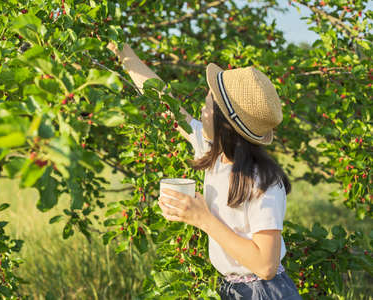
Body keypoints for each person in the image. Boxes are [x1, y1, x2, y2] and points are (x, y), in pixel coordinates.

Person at [107, 42, 302, 300]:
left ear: (225, 123)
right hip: (234, 290)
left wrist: (203, 219)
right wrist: (125, 54)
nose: (201, 108)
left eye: (208, 103)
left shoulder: (263, 182)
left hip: (264, 293)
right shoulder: (213, 153)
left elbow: (266, 265)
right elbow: (167, 103)